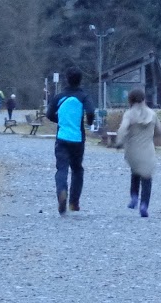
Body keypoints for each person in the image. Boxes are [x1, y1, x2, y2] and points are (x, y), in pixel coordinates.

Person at [47, 67, 95, 215]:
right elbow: (91, 111)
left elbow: (49, 114)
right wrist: (89, 121)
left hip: (62, 137)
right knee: (77, 169)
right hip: (78, 139)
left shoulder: (59, 96)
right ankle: (74, 202)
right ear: (80, 80)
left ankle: (62, 192)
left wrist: (60, 121)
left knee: (61, 169)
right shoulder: (83, 96)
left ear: (66, 79)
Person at [115, 87, 161, 218]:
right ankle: (144, 205)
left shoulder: (129, 114)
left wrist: (119, 142)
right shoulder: (152, 114)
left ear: (130, 100)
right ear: (144, 99)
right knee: (147, 177)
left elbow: (123, 129)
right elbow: (159, 130)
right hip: (148, 150)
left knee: (135, 171)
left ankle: (134, 196)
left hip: (133, 151)